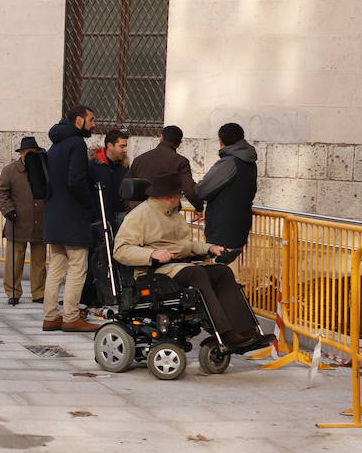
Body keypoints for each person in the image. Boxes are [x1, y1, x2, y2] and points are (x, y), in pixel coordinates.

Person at [114, 172, 270, 350]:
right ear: (169, 196)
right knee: (197, 273)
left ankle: (246, 330)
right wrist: (152, 254)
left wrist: (210, 248)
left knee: (222, 271)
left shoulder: (173, 214)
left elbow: (186, 245)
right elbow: (121, 250)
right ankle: (225, 333)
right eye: (180, 194)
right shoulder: (138, 216)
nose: (181, 197)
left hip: (178, 265)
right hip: (153, 271)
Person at [42, 106, 102, 333]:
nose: (94, 124)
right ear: (79, 120)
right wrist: (88, 204)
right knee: (78, 265)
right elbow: (76, 180)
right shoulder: (77, 143)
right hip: (72, 216)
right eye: (91, 120)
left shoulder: (56, 143)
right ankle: (71, 317)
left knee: (57, 266)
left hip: (54, 214)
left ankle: (50, 316)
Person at [195, 122, 258, 270]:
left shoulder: (229, 163)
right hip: (239, 224)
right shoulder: (249, 162)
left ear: (221, 142)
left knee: (224, 275)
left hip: (223, 229)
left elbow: (202, 190)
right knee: (231, 271)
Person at [0, 136, 48, 306]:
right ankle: (13, 292)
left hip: (40, 222)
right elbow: (1, 192)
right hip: (17, 222)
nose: (31, 156)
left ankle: (39, 292)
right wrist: (8, 210)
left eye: (34, 152)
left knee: (39, 261)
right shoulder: (10, 170)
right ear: (22, 153)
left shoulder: (43, 169)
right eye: (28, 153)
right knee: (14, 261)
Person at [128, 125, 203, 212]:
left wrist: (129, 208)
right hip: (165, 213)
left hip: (140, 211)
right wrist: (199, 207)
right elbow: (189, 190)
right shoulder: (181, 161)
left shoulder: (139, 159)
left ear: (161, 137)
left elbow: (127, 185)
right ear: (179, 144)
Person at [90, 129, 130, 222]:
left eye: (125, 146)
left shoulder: (124, 167)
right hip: (100, 218)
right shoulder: (94, 166)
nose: (125, 150)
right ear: (110, 146)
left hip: (121, 216)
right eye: (122, 146)